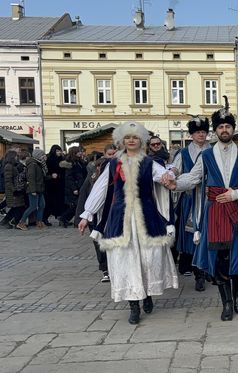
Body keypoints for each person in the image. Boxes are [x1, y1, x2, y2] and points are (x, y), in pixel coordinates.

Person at [165, 97, 238, 321]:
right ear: (215, 131)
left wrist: (235, 194)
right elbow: (193, 178)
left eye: (228, 126)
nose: (224, 129)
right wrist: (175, 184)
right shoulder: (206, 155)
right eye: (220, 126)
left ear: (233, 129)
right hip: (216, 213)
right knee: (220, 259)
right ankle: (226, 302)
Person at [78, 121, 178, 325]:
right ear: (121, 141)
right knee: (126, 259)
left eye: (135, 137)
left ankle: (147, 293)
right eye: (128, 137)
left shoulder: (149, 162)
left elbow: (164, 175)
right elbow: (101, 189)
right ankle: (133, 304)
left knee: (147, 258)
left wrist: (170, 176)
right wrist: (87, 214)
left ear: (141, 141)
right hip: (121, 218)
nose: (131, 140)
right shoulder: (113, 163)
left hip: (146, 216)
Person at [171, 116, 211, 291]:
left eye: (203, 132)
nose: (201, 135)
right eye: (197, 132)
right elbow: (176, 170)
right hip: (189, 198)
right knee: (193, 236)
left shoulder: (214, 150)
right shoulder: (184, 153)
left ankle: (208, 268)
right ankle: (198, 274)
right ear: (191, 135)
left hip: (210, 199)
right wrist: (170, 174)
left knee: (210, 234)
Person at [76, 157, 110, 282]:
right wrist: (84, 216)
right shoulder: (92, 178)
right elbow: (84, 195)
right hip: (97, 217)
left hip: (113, 215)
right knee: (99, 243)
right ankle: (105, 269)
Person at [16, 149, 48, 230]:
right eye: (42, 155)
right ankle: (21, 222)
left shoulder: (39, 163)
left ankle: (39, 222)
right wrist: (33, 190)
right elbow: (31, 178)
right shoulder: (32, 164)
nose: (44, 156)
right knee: (33, 206)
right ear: (38, 156)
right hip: (33, 189)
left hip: (39, 188)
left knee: (42, 205)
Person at [59, 147, 87, 227]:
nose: (80, 153)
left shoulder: (79, 161)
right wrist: (74, 188)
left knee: (77, 204)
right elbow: (69, 177)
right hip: (74, 186)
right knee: (75, 205)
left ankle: (65, 219)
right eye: (78, 152)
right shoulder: (71, 163)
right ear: (74, 153)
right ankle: (63, 218)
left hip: (79, 185)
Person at [2, 151, 26, 228]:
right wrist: (14, 189)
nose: (17, 157)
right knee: (17, 207)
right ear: (12, 157)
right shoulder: (9, 166)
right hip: (13, 191)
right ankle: (9, 221)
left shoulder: (12, 166)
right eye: (16, 156)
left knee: (18, 207)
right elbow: (8, 180)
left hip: (15, 189)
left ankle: (9, 221)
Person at [43, 145, 65, 225]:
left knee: (59, 202)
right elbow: (46, 171)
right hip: (51, 184)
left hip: (59, 183)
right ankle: (45, 218)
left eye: (60, 151)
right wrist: (51, 175)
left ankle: (60, 218)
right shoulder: (49, 159)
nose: (59, 152)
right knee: (50, 202)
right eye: (57, 151)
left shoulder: (62, 159)